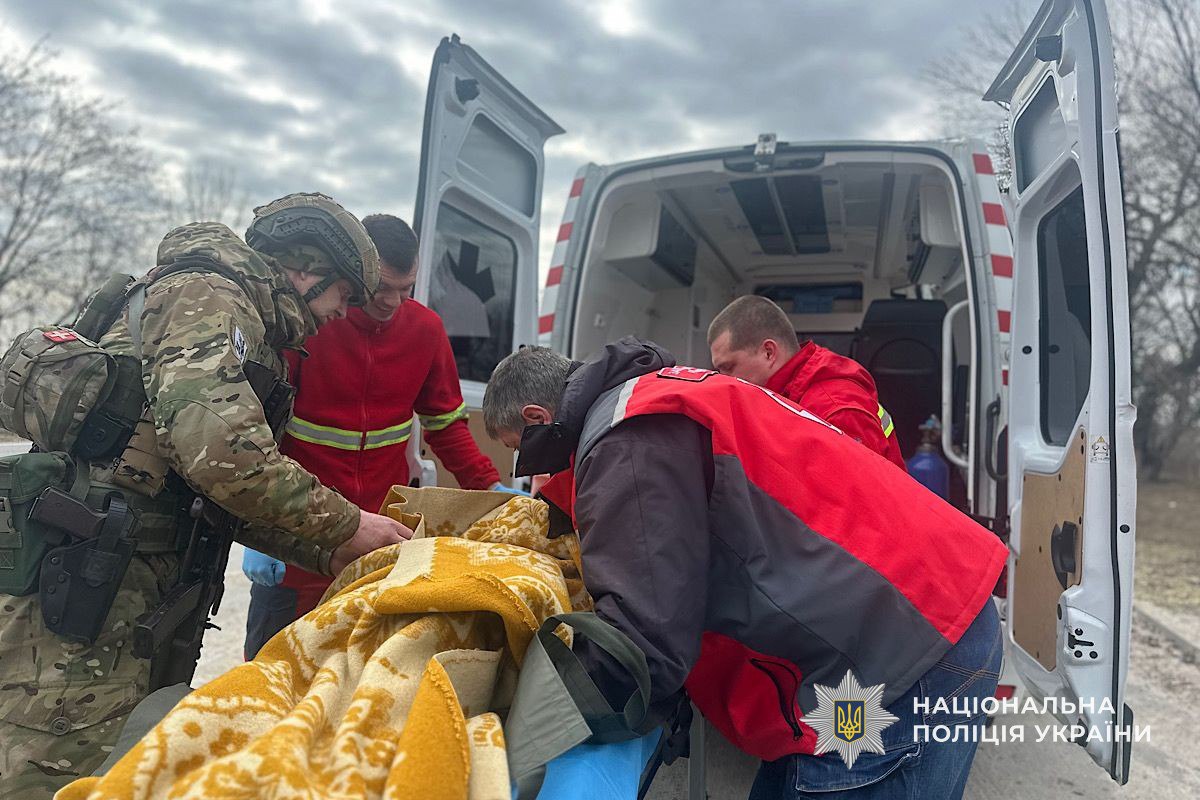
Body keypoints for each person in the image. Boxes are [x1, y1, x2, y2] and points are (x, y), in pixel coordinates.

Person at [0, 193, 412, 796]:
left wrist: (330, 553)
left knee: (124, 766)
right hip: (90, 584)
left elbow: (206, 492)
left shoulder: (241, 321)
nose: (341, 313)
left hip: (129, 581)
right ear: (305, 269)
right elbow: (225, 457)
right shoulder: (209, 297)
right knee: (60, 771)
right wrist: (348, 524)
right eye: (343, 294)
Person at [482, 339, 1006, 799]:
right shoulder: (656, 391)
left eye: (519, 450)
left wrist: (525, 723)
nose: (531, 468)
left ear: (535, 418)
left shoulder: (626, 439)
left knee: (846, 777)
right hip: (912, 615)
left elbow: (645, 643)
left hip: (906, 655)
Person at [241, 214, 512, 659]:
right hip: (298, 537)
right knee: (271, 674)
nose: (393, 301)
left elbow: (446, 428)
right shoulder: (310, 324)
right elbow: (260, 430)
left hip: (381, 541)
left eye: (406, 289)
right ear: (355, 269)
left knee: (364, 674)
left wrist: (490, 488)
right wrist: (261, 533)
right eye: (382, 287)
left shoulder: (425, 330)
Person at [707, 295, 905, 468]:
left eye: (729, 367)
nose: (724, 379)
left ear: (768, 352)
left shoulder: (834, 410)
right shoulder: (788, 394)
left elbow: (861, 503)